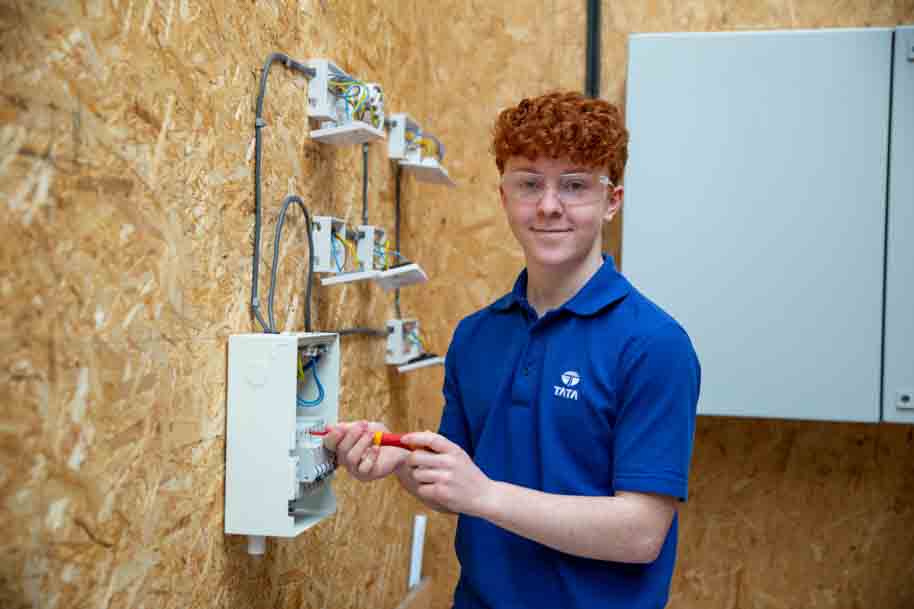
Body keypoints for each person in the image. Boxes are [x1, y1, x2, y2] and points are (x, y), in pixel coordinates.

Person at [323, 90, 701, 609]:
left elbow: (640, 534)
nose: (549, 205)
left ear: (611, 200)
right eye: (529, 184)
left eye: (574, 185)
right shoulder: (476, 336)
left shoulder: (654, 345)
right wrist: (401, 459)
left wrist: (485, 496)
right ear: (504, 197)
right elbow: (461, 483)